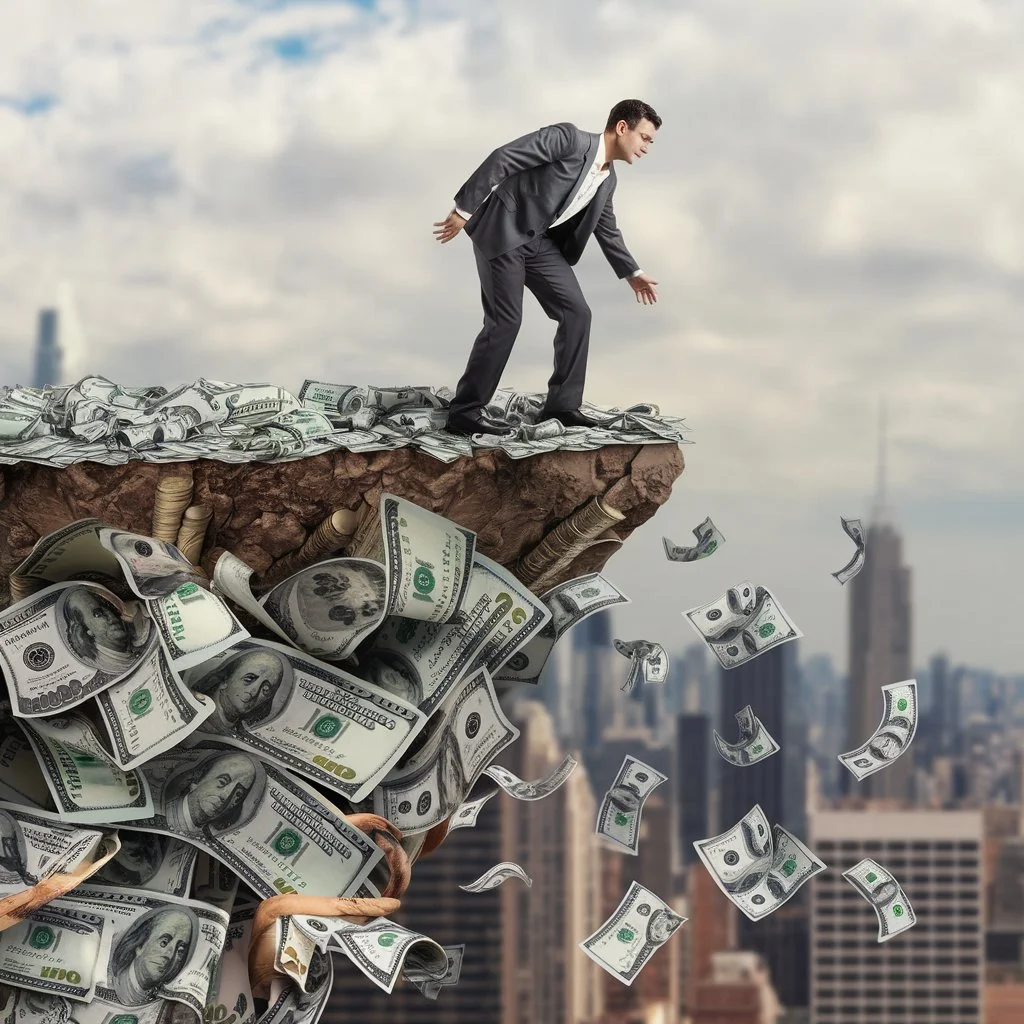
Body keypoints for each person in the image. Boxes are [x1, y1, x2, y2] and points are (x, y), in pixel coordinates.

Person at [434, 99, 661, 437]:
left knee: (577, 313)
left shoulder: (608, 180)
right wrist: (463, 208)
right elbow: (504, 157)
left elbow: (606, 227)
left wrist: (632, 272)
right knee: (506, 321)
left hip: (540, 244)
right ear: (623, 127)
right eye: (645, 137)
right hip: (504, 230)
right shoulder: (569, 139)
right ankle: (465, 411)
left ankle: (562, 407)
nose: (647, 147)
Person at [108, 906, 198, 1005]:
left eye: (180, 950)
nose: (170, 955)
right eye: (163, 942)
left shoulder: (160, 996)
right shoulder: (115, 983)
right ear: (140, 944)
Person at [190, 646, 290, 732]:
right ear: (225, 680)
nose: (254, 692)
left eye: (265, 689)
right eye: (249, 678)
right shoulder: (195, 715)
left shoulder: (238, 729)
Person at [58, 585, 152, 676]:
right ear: (87, 631)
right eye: (98, 613)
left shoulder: (137, 634)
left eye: (107, 607)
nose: (111, 614)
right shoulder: (111, 665)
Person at [163, 750, 263, 835]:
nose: (226, 796)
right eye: (222, 782)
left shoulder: (207, 834)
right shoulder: (164, 812)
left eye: (238, 794)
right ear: (198, 779)